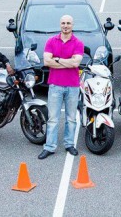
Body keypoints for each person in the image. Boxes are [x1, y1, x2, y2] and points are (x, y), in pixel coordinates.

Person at [38, 15, 84, 159]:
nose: (65, 26)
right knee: (53, 118)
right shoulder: (51, 41)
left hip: (73, 86)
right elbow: (47, 61)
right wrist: (67, 62)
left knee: (71, 118)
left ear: (72, 25)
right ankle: (50, 147)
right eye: (63, 23)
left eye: (68, 23)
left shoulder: (78, 43)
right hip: (55, 85)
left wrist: (57, 59)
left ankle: (69, 144)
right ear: (60, 24)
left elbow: (76, 64)